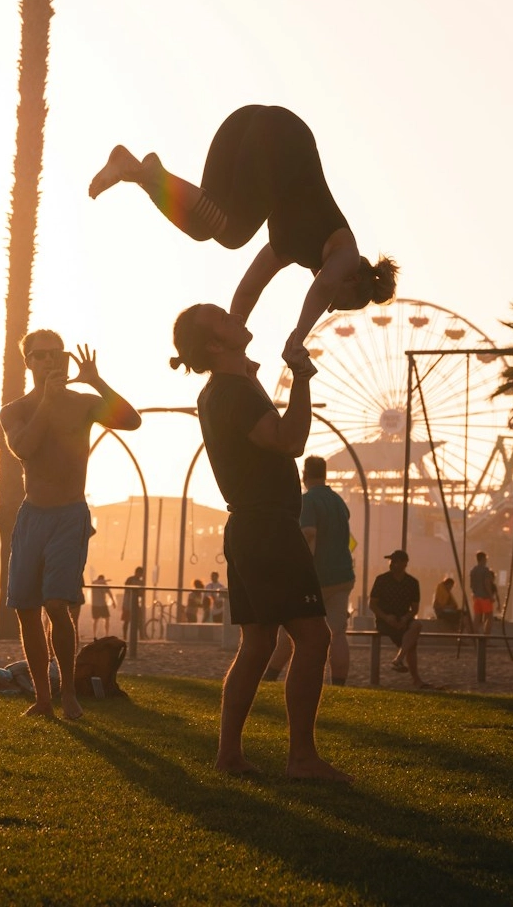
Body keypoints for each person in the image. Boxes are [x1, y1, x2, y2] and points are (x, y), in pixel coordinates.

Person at [171, 302, 348, 781]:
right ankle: (302, 759)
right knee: (314, 637)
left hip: (247, 528)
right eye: (223, 319)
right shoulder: (234, 393)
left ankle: (230, 754)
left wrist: (252, 374)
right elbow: (291, 441)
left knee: (258, 643)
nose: (235, 316)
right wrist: (303, 380)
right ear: (213, 345)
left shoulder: (221, 390)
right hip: (269, 527)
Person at [90, 106, 398, 364]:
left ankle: (137, 172)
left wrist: (233, 346)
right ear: (353, 278)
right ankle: (152, 175)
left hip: (241, 128)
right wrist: (297, 338)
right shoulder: (344, 248)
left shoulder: (289, 248)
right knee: (233, 233)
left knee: (203, 227)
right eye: (334, 301)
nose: (325, 302)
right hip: (282, 137)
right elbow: (324, 286)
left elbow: (248, 290)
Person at [0, 330, 141, 719]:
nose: (49, 361)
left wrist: (96, 380)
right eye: (40, 356)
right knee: (26, 609)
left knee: (57, 603)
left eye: (55, 354)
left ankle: (68, 694)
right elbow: (24, 448)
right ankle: (43, 699)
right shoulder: (15, 410)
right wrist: (46, 400)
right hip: (32, 516)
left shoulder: (83, 405)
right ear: (28, 361)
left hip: (69, 515)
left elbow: (132, 421)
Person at [263, 455, 355, 685]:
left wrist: (299, 572)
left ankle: (271, 675)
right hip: (343, 575)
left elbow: (308, 534)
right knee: (337, 633)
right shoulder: (338, 502)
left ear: (304, 475)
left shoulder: (308, 501)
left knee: (290, 626)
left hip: (318, 576)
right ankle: (340, 684)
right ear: (324, 474)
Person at [369, 550, 430, 688]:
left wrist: (405, 618)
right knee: (411, 642)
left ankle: (399, 659)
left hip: (403, 618)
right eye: (391, 561)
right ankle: (415, 678)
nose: (391, 563)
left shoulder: (412, 583)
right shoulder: (382, 580)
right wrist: (386, 617)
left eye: (394, 561)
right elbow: (372, 604)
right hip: (384, 620)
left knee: (416, 626)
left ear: (404, 563)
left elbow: (414, 609)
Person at [469, 551, 500, 635]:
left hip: (476, 597)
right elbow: (486, 583)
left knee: (477, 617)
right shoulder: (485, 570)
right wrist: (490, 596)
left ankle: (474, 635)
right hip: (485, 598)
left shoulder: (473, 571)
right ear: (483, 559)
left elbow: (471, 585)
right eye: (486, 559)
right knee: (490, 617)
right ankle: (486, 636)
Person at [121, 566, 144, 637]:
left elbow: (141, 593)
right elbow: (127, 591)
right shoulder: (131, 580)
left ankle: (140, 635)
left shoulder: (140, 581)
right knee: (127, 620)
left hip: (135, 603)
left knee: (139, 620)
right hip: (128, 602)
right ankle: (125, 635)